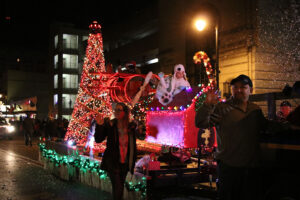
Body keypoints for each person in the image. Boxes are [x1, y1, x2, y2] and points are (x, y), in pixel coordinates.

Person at [195, 74, 291, 200]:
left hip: (251, 167)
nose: (239, 90)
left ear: (250, 90)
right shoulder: (221, 108)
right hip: (229, 167)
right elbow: (201, 122)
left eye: (243, 87)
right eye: (235, 87)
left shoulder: (255, 109)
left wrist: (289, 126)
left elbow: (266, 126)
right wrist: (207, 105)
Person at [95, 103, 137, 200]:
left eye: (119, 110)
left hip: (125, 163)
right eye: (115, 109)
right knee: (118, 187)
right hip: (113, 162)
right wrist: (100, 125)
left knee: (120, 187)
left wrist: (133, 161)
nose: (116, 112)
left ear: (125, 112)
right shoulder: (111, 125)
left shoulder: (130, 127)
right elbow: (98, 139)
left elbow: (133, 146)